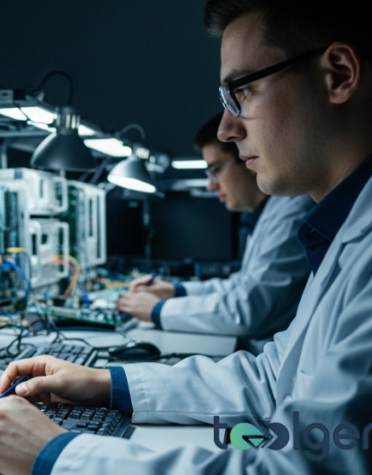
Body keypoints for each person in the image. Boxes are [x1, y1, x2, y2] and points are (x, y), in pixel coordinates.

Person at [0, 0, 372, 474]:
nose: (226, 129)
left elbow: (308, 466)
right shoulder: (365, 223)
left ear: (339, 75)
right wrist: (107, 383)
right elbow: (273, 378)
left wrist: (58, 454)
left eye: (243, 91)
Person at [116, 114, 313, 352]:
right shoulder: (268, 214)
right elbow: (242, 285)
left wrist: (158, 311)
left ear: (247, 157)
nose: (210, 185)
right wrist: (176, 290)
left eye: (215, 169)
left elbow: (249, 310)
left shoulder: (291, 214)